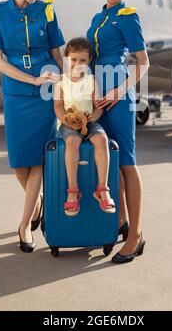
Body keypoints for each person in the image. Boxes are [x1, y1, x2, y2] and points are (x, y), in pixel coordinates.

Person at [0, 0, 65, 253]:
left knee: (39, 160)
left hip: (46, 91)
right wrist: (29, 80)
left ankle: (24, 225)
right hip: (17, 93)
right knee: (19, 163)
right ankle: (38, 202)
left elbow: (56, 51)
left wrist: (63, 80)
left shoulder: (47, 10)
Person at [86, 0, 150, 263]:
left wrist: (119, 91)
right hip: (98, 92)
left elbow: (143, 62)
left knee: (126, 161)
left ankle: (135, 235)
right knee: (108, 158)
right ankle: (121, 222)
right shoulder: (99, 16)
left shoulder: (127, 16)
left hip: (118, 94)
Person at [54, 37, 116, 217]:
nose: (78, 63)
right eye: (74, 59)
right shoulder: (61, 81)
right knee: (72, 141)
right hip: (68, 123)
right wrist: (65, 120)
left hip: (89, 122)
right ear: (67, 59)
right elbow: (58, 106)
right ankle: (73, 190)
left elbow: (98, 107)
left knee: (102, 139)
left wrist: (93, 117)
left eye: (82, 60)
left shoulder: (91, 80)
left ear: (89, 60)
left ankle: (102, 189)